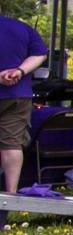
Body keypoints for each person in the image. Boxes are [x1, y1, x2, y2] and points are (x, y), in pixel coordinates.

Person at [0, 10, 49, 197]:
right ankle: (11, 194)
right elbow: (40, 54)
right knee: (11, 144)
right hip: (17, 95)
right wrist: (19, 71)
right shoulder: (23, 28)